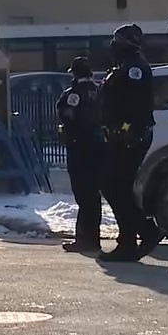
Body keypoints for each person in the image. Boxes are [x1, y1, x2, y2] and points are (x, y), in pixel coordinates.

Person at [98, 24, 164, 262]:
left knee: (113, 185)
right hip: (122, 134)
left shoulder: (134, 68)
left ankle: (143, 232)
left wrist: (128, 132)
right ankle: (129, 239)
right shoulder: (124, 66)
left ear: (126, 43)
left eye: (116, 40)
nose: (112, 45)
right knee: (116, 186)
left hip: (130, 136)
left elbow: (136, 106)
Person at [57, 57, 104, 253]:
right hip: (99, 147)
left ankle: (85, 239)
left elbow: (68, 116)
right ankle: (94, 237)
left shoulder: (73, 94)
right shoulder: (100, 91)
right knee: (94, 195)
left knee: (83, 194)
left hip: (79, 148)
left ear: (74, 74)